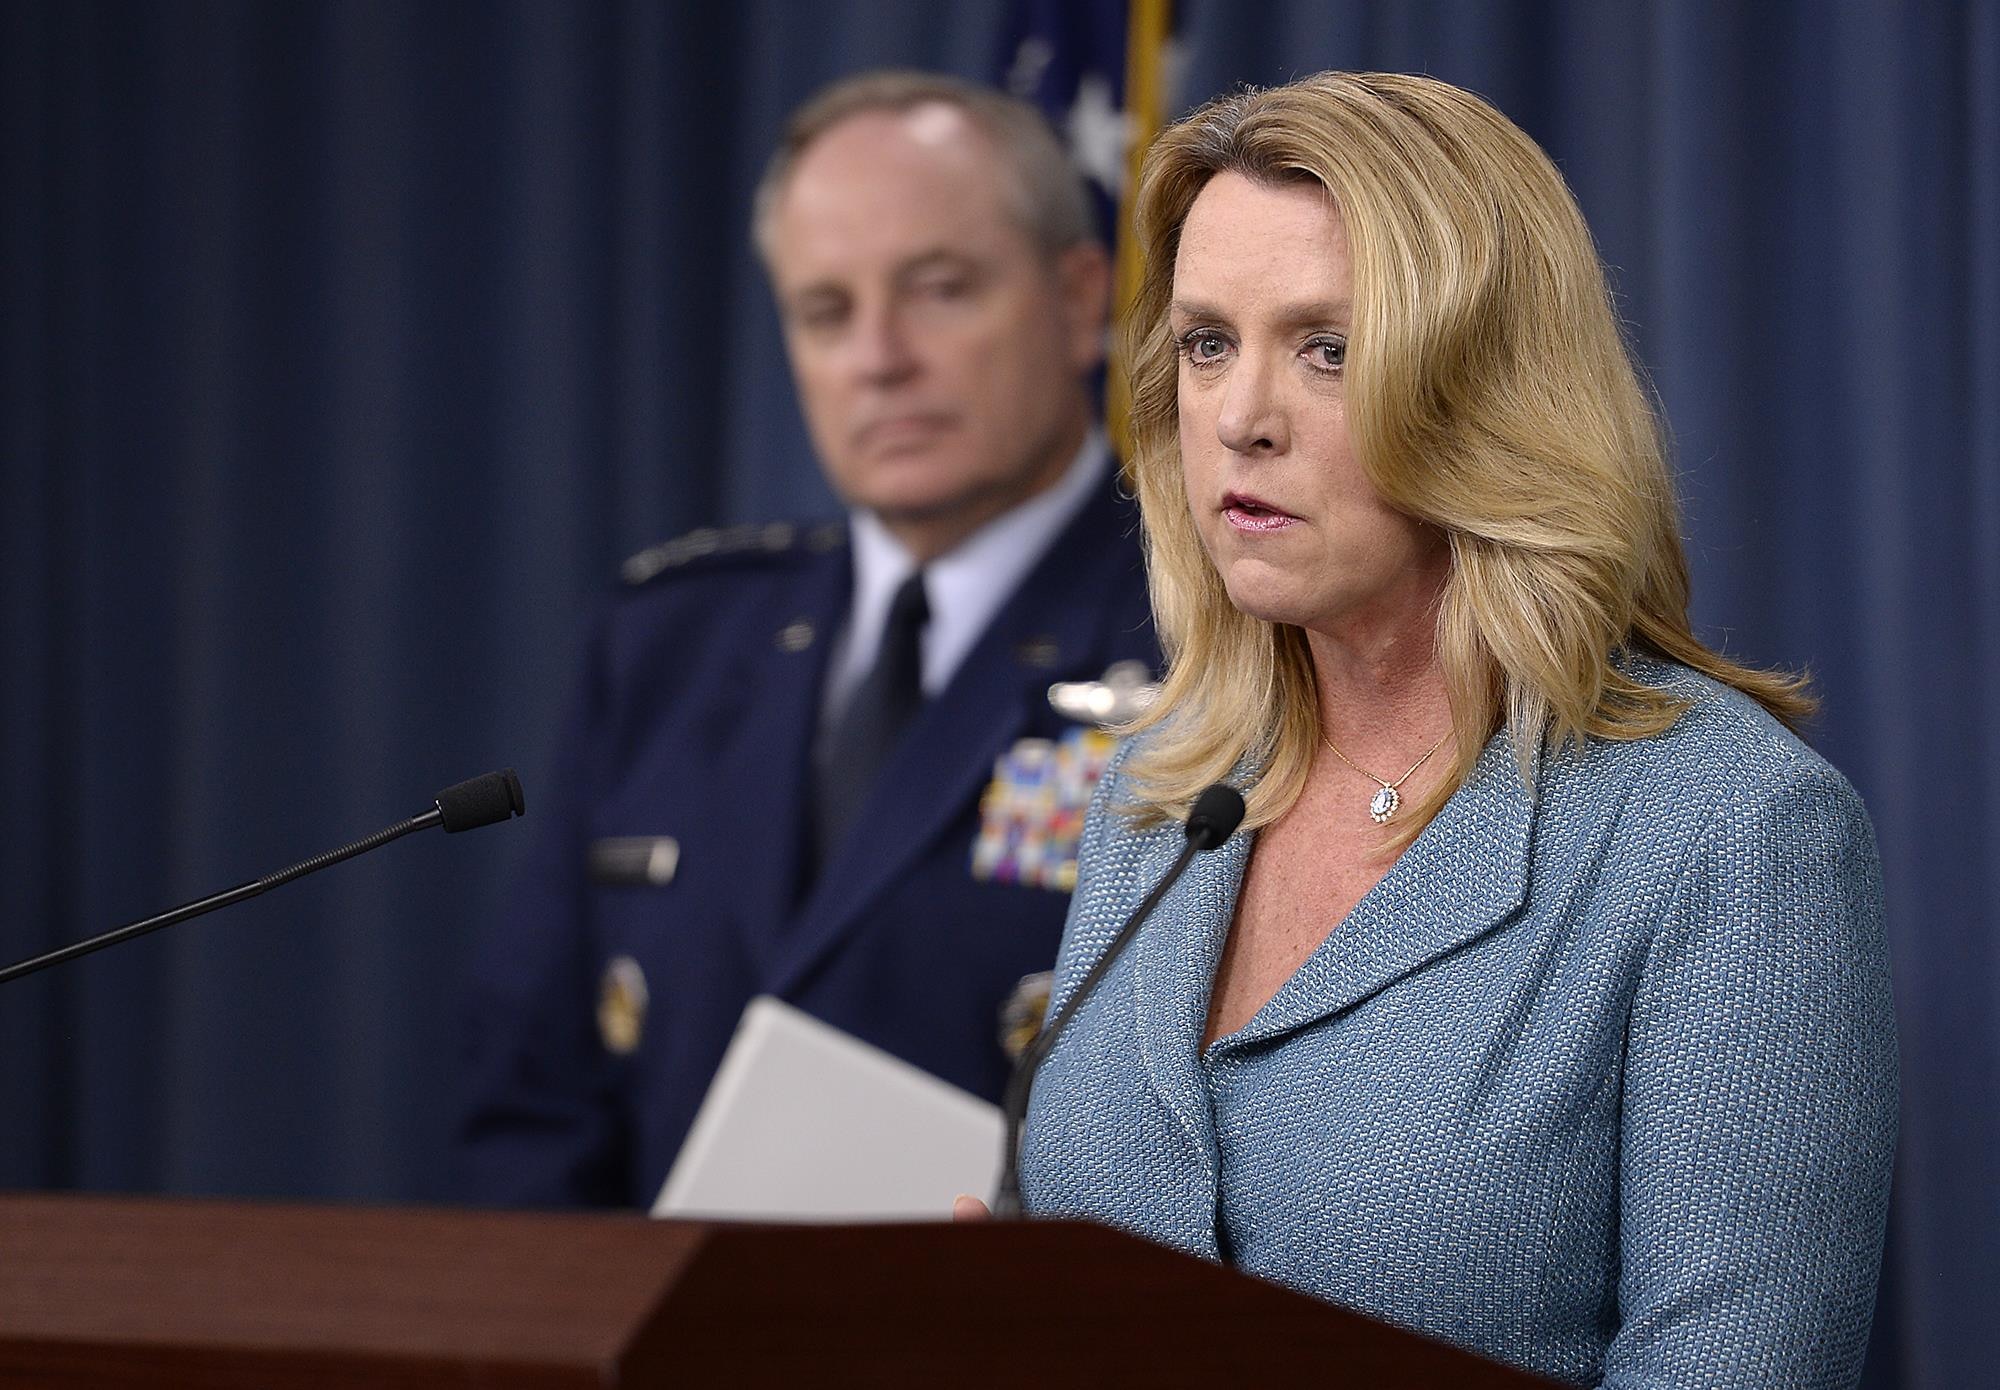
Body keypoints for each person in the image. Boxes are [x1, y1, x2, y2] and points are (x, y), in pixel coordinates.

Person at [1006, 73, 1896, 1388]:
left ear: (1488, 390)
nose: (1243, 416)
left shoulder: (1731, 831)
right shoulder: (1162, 791)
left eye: (1328, 349)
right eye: (1206, 343)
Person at [456, 71, 1157, 1208]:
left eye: (937, 291)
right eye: (825, 312)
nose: (878, 357)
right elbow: (532, 1106)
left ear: (1081, 300)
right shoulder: (666, 643)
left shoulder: (1204, 639)